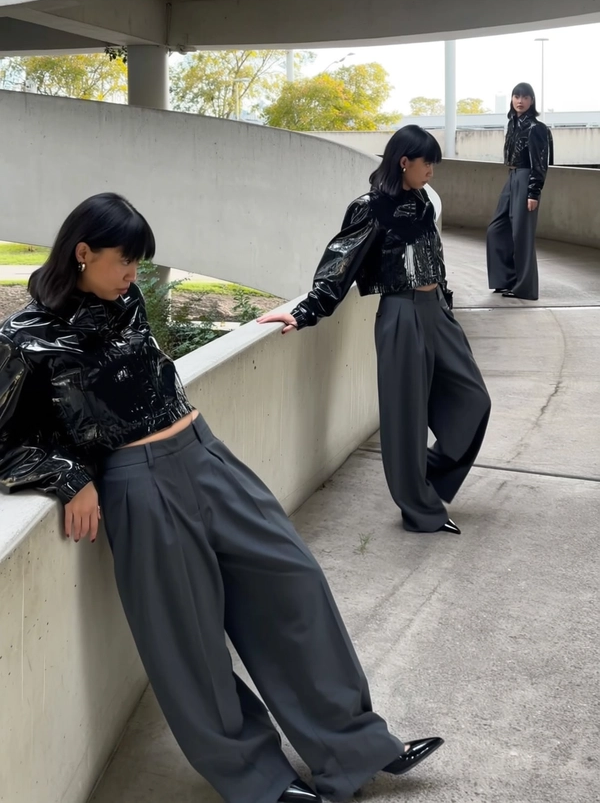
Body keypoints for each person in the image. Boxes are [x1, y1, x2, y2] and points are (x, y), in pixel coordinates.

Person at [0, 193, 444, 803]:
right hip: (137, 484)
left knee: (295, 582)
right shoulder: (25, 337)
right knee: (189, 641)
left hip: (206, 454)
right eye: (124, 261)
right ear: (83, 253)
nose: (134, 275)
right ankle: (261, 782)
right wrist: (66, 475)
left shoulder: (124, 301)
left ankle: (356, 745)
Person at [259, 126, 491, 537]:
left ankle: (425, 478)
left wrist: (446, 307)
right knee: (405, 417)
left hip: (437, 312)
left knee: (474, 400)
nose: (432, 171)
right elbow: (339, 264)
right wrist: (305, 311)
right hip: (401, 314)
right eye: (427, 162)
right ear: (405, 162)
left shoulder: (420, 200)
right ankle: (419, 510)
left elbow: (432, 258)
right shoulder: (369, 207)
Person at [486, 82, 553, 301]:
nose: (520, 101)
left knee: (522, 234)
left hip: (526, 178)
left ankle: (524, 288)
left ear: (532, 101)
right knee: (496, 229)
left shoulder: (536, 128)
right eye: (516, 96)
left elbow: (540, 164)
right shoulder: (513, 124)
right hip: (512, 176)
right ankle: (505, 279)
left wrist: (533, 192)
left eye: (525, 97)